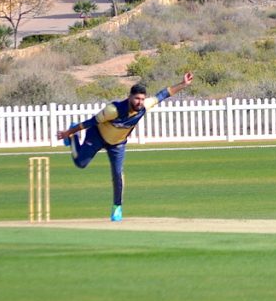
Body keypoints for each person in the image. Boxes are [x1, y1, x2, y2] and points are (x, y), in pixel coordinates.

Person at [56, 72, 194, 221]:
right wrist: (68, 132)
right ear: (129, 97)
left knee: (117, 174)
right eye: (136, 99)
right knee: (80, 163)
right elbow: (89, 122)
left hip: (118, 144)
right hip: (97, 135)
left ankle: (117, 208)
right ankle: (73, 137)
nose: (139, 102)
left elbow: (164, 94)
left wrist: (183, 84)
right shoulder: (112, 110)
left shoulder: (145, 106)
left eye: (142, 99)